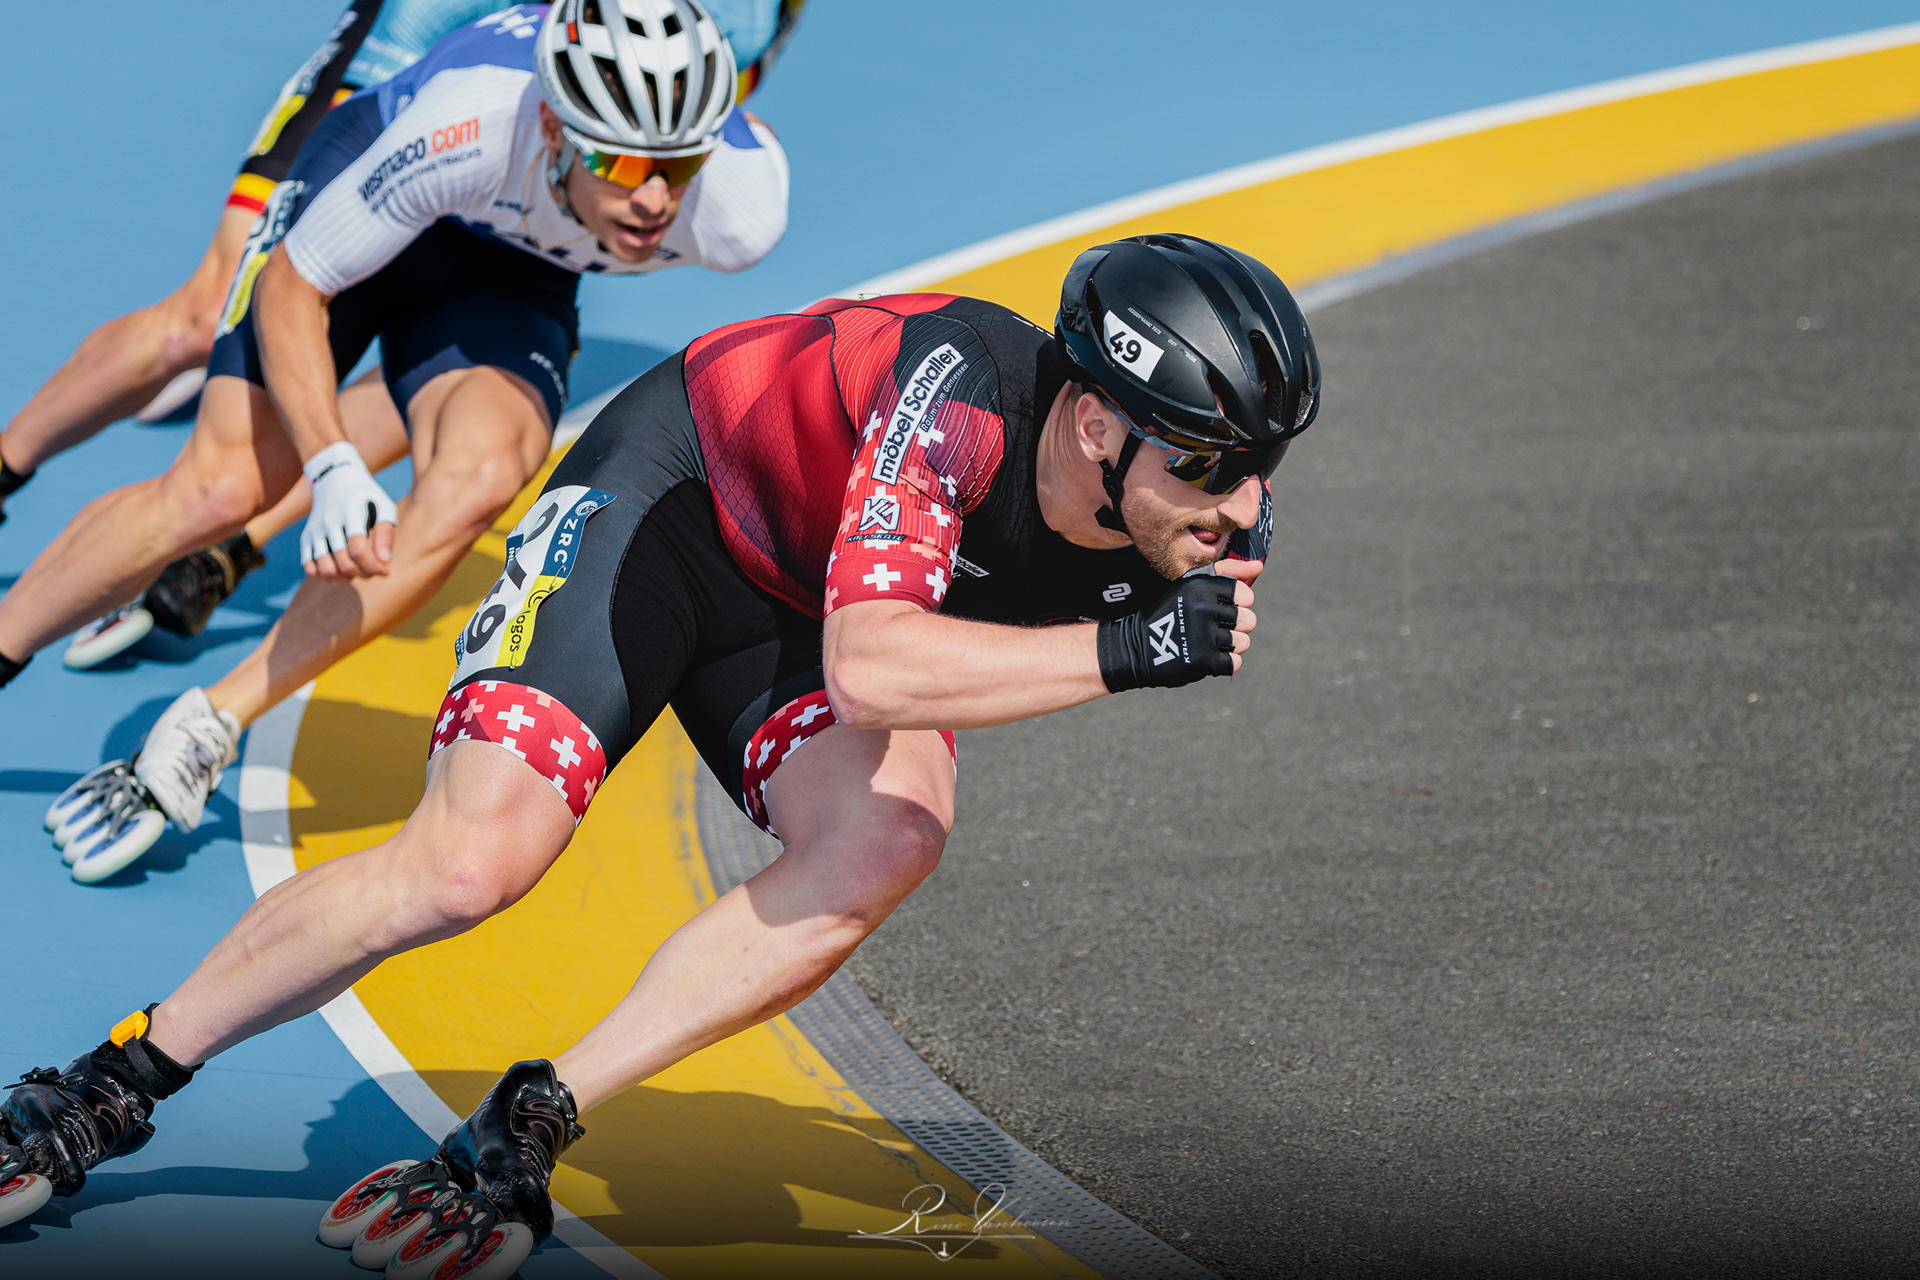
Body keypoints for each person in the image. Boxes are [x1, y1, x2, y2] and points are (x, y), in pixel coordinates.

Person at [0, 234, 1321, 1273]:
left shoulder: (1197, 526)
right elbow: (874, 668)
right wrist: (1128, 653)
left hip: (810, 605)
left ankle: (532, 1114)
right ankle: (119, 1076)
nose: (1246, 504)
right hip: (670, 507)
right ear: (1094, 426)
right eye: (1212, 464)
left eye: (1263, 464)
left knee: (888, 835)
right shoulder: (961, 400)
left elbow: (925, 659)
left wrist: (1128, 637)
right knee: (468, 865)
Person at [22, 0, 790, 883]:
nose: (655, 200)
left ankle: (209, 722)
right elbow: (292, 288)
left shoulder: (737, 209)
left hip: (513, 253)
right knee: (221, 477)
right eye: (621, 163)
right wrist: (329, 463)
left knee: (483, 470)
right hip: (403, 122)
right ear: (556, 125)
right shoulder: (466, 121)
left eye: (678, 166)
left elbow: (686, 131)